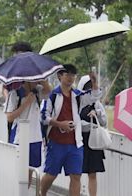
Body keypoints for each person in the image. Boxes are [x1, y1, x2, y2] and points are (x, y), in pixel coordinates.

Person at [40, 64, 101, 196]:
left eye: (73, 75)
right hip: (56, 143)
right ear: (60, 76)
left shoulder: (77, 95)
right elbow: (43, 116)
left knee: (76, 176)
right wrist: (59, 124)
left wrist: (95, 82)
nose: (71, 78)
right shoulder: (52, 95)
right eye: (67, 74)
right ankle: (42, 193)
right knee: (51, 175)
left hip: (75, 144)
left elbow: (94, 96)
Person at [4, 80, 50, 186]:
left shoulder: (38, 91)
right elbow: (10, 117)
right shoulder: (14, 94)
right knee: (18, 173)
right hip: (19, 138)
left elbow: (48, 92)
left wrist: (43, 80)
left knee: (29, 173)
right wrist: (26, 103)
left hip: (35, 138)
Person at [77, 75, 107, 196]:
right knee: (76, 173)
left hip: (94, 139)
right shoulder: (77, 101)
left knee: (92, 173)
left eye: (91, 86)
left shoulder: (97, 103)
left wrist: (97, 113)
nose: (89, 89)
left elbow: (104, 122)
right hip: (80, 139)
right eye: (87, 86)